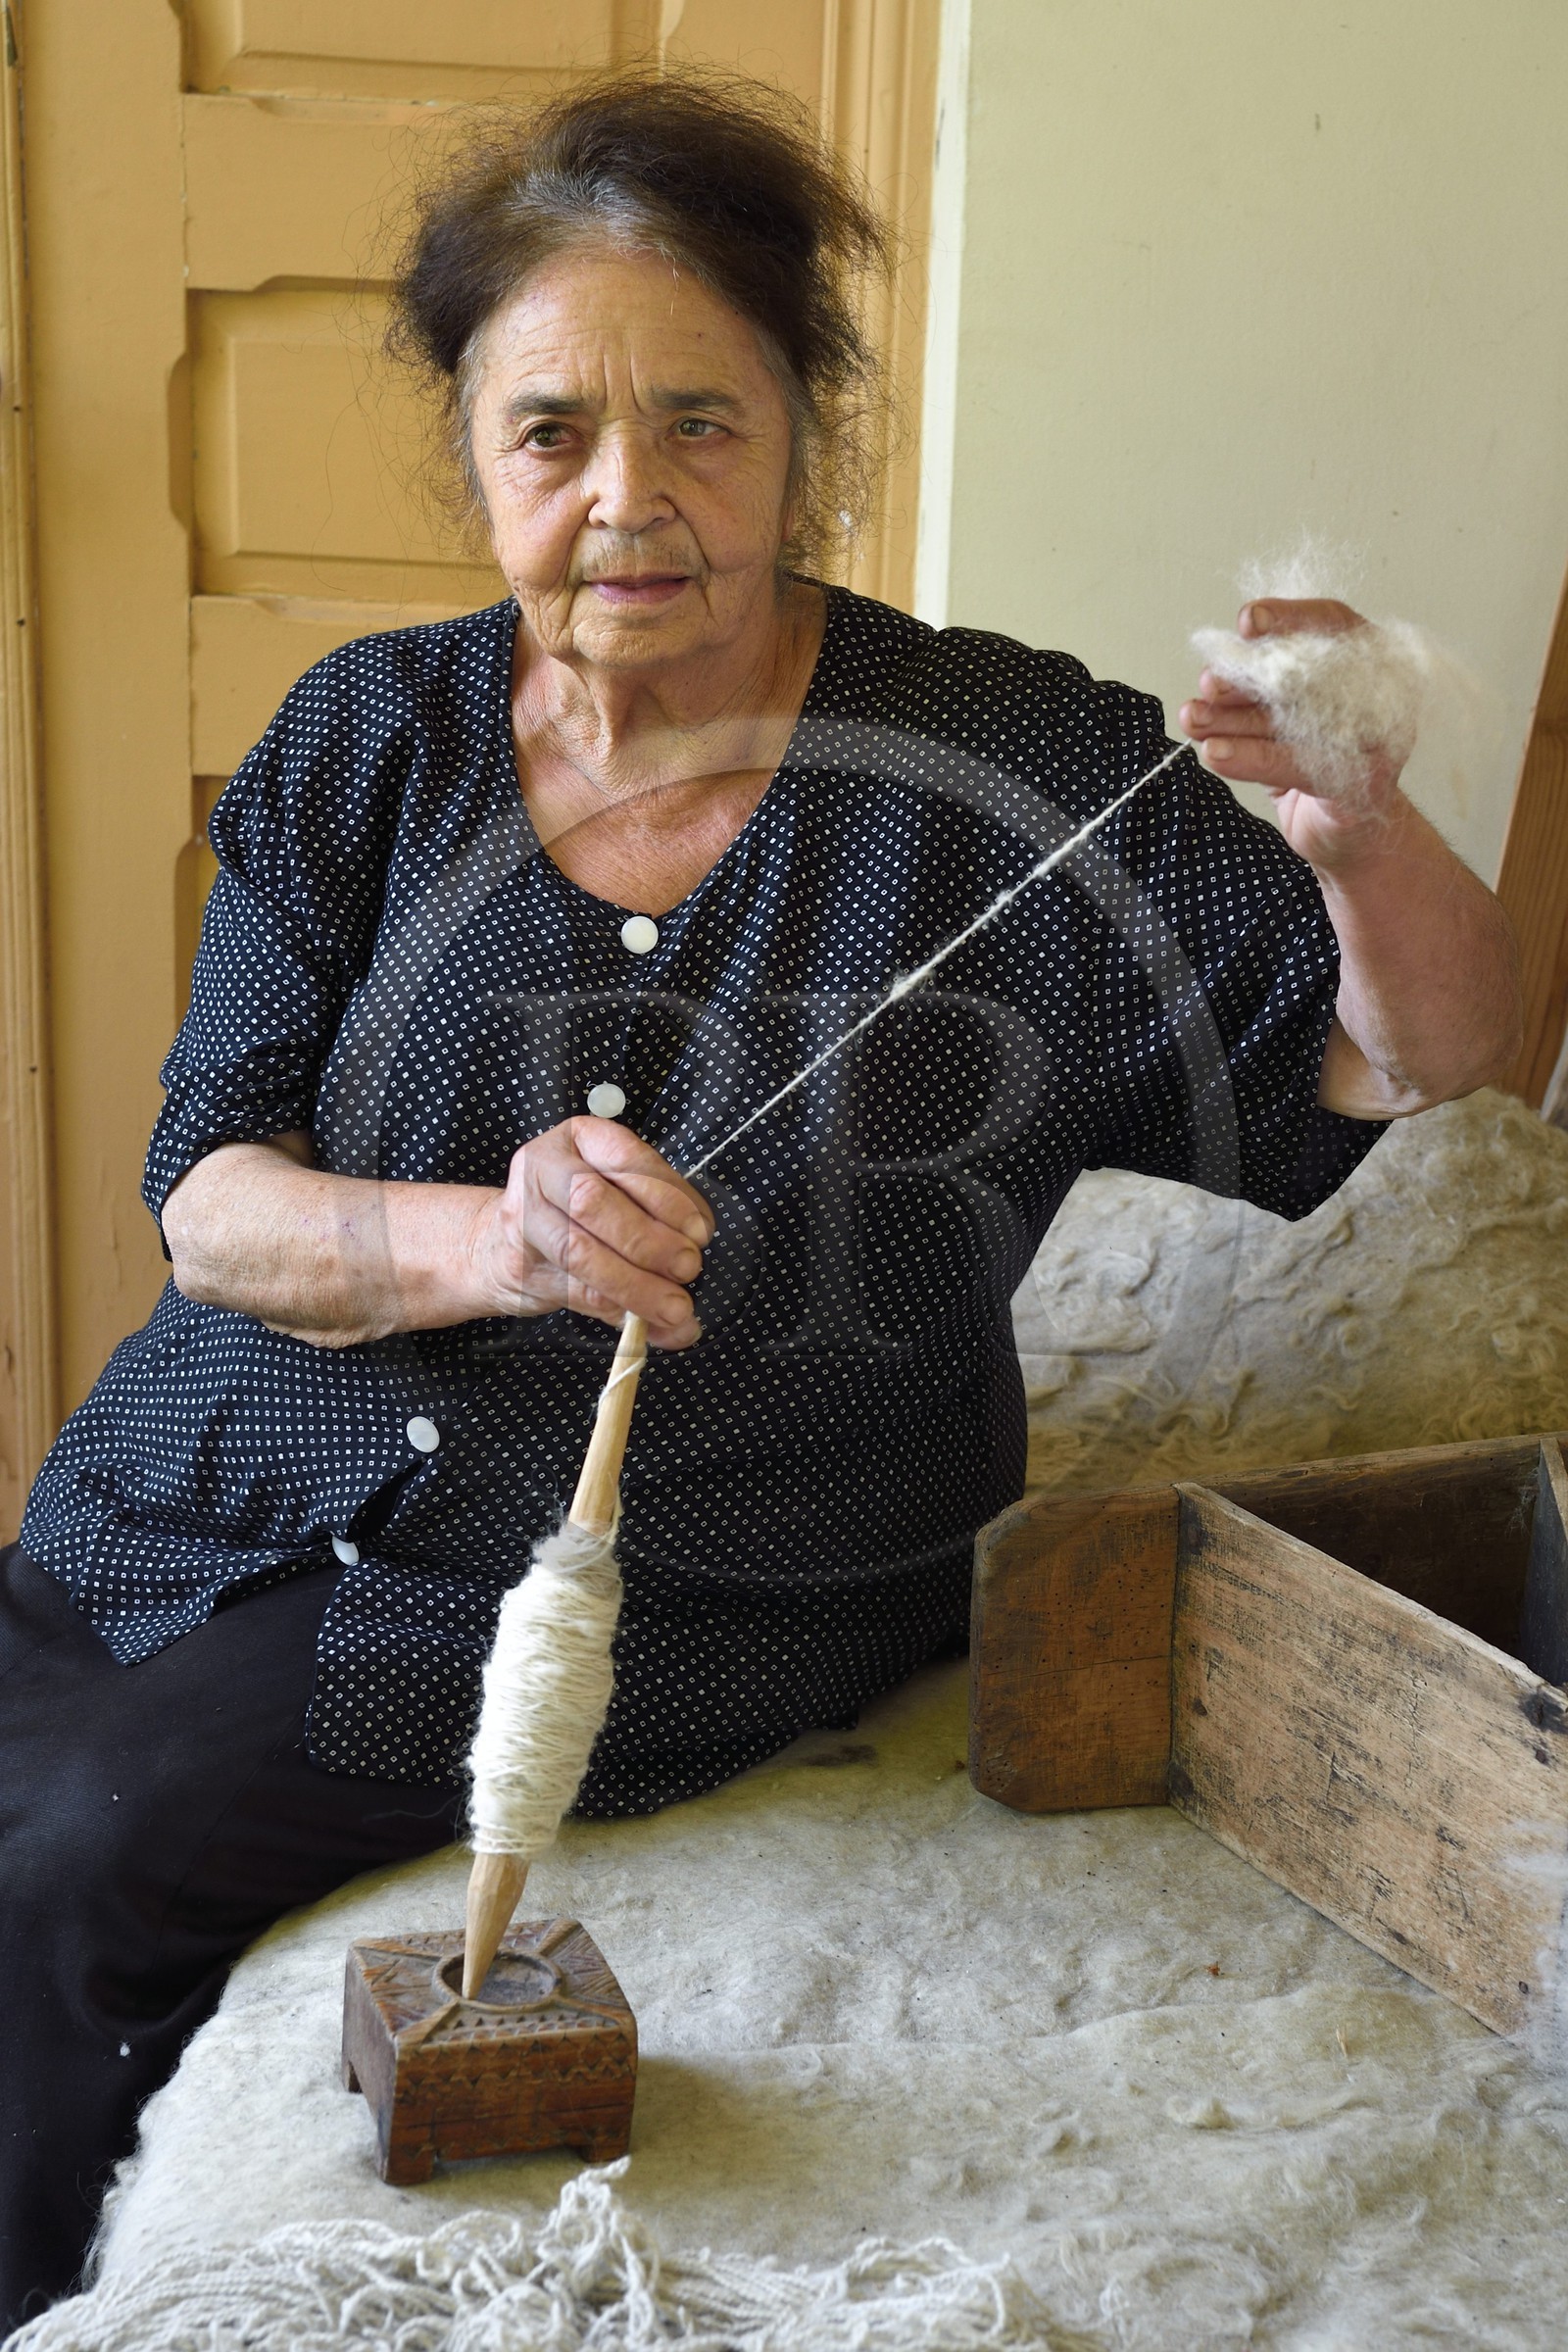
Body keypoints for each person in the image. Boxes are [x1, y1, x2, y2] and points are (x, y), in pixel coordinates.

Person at [0, 70, 1518, 2328]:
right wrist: (484, 1237)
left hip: (700, 1557)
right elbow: (211, 1203)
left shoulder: (1011, 775)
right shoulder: (365, 738)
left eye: (701, 424)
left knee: (73, 1864)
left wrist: (1359, 827)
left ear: (805, 431)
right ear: (473, 454)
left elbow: (1421, 1055)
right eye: (552, 436)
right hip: (207, 1474)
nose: (631, 500)